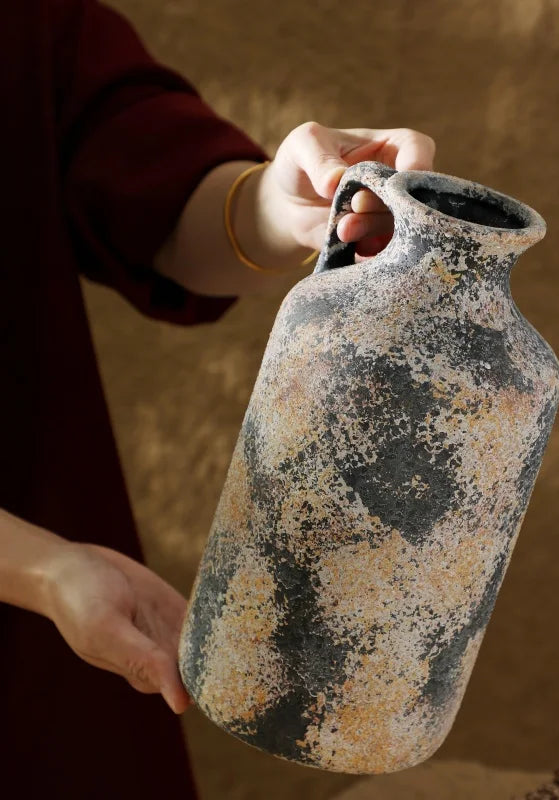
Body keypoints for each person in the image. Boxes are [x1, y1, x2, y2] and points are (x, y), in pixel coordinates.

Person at [0, 1, 436, 796]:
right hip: (44, 588)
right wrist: (40, 569)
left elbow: (151, 192)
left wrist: (281, 203)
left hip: (59, 620)